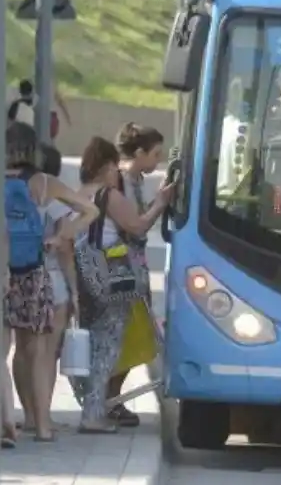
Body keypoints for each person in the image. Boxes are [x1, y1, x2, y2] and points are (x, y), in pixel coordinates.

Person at [69, 136, 174, 433]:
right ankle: (93, 414)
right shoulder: (108, 196)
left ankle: (92, 407)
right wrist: (160, 203)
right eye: (115, 166)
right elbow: (138, 226)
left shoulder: (80, 193)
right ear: (107, 166)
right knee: (107, 347)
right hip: (111, 276)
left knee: (93, 344)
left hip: (85, 275)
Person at [3, 122, 99, 442]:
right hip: (36, 271)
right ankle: (43, 426)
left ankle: (20, 417)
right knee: (41, 350)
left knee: (12, 350)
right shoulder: (45, 183)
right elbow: (90, 210)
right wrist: (61, 237)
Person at [14, 143, 78, 434]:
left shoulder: (14, 192)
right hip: (50, 278)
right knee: (46, 352)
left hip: (17, 273)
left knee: (22, 348)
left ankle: (27, 413)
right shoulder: (53, 196)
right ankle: (43, 416)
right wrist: (75, 288)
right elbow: (65, 246)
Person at [107, 123, 165, 427]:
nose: (158, 161)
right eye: (155, 154)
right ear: (139, 152)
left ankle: (112, 399)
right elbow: (136, 226)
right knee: (120, 336)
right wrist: (160, 204)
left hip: (133, 268)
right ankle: (107, 400)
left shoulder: (135, 180)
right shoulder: (118, 181)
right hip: (118, 270)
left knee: (133, 336)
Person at [8, 79, 73, 139]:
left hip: (44, 117)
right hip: (50, 116)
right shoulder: (49, 85)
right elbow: (60, 102)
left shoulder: (22, 103)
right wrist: (68, 117)